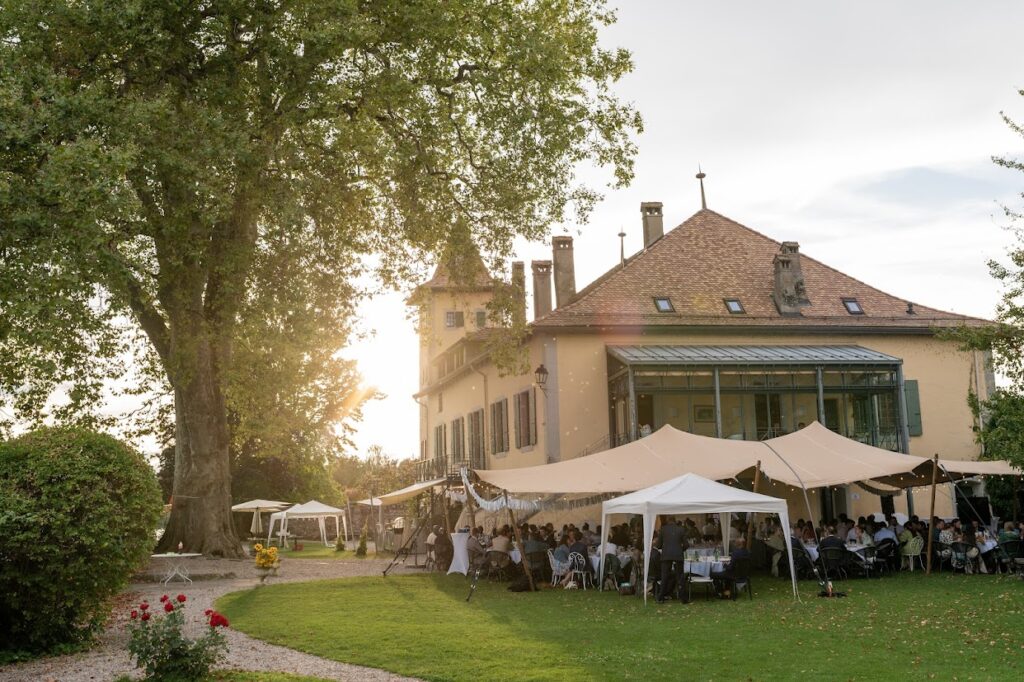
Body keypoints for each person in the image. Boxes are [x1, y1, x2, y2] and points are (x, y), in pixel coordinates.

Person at [655, 516, 689, 603]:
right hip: (678, 555)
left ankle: (661, 597)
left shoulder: (663, 529)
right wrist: (680, 549)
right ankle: (683, 598)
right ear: (675, 520)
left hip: (666, 555)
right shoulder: (681, 529)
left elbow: (658, 545)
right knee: (680, 577)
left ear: (667, 520)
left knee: (664, 577)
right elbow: (686, 544)